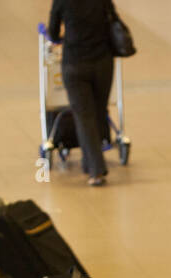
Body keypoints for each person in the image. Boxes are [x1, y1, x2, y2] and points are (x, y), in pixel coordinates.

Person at [48, 0, 116, 186]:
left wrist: (65, 36)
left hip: (74, 63)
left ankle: (95, 169)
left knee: (84, 116)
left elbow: (53, 32)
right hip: (102, 63)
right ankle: (91, 160)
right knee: (99, 111)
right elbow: (113, 19)